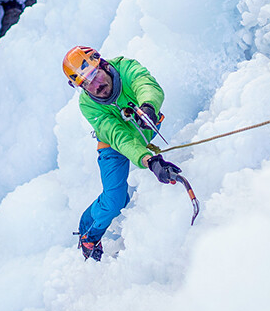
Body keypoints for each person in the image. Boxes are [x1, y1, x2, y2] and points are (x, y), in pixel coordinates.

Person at [62, 46, 181, 261]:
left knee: (118, 197)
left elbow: (146, 84)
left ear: (103, 64)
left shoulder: (125, 67)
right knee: (115, 199)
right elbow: (118, 137)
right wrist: (150, 160)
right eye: (87, 84)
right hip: (112, 146)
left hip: (146, 121)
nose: (96, 86)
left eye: (95, 75)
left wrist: (148, 108)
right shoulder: (88, 105)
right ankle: (89, 235)